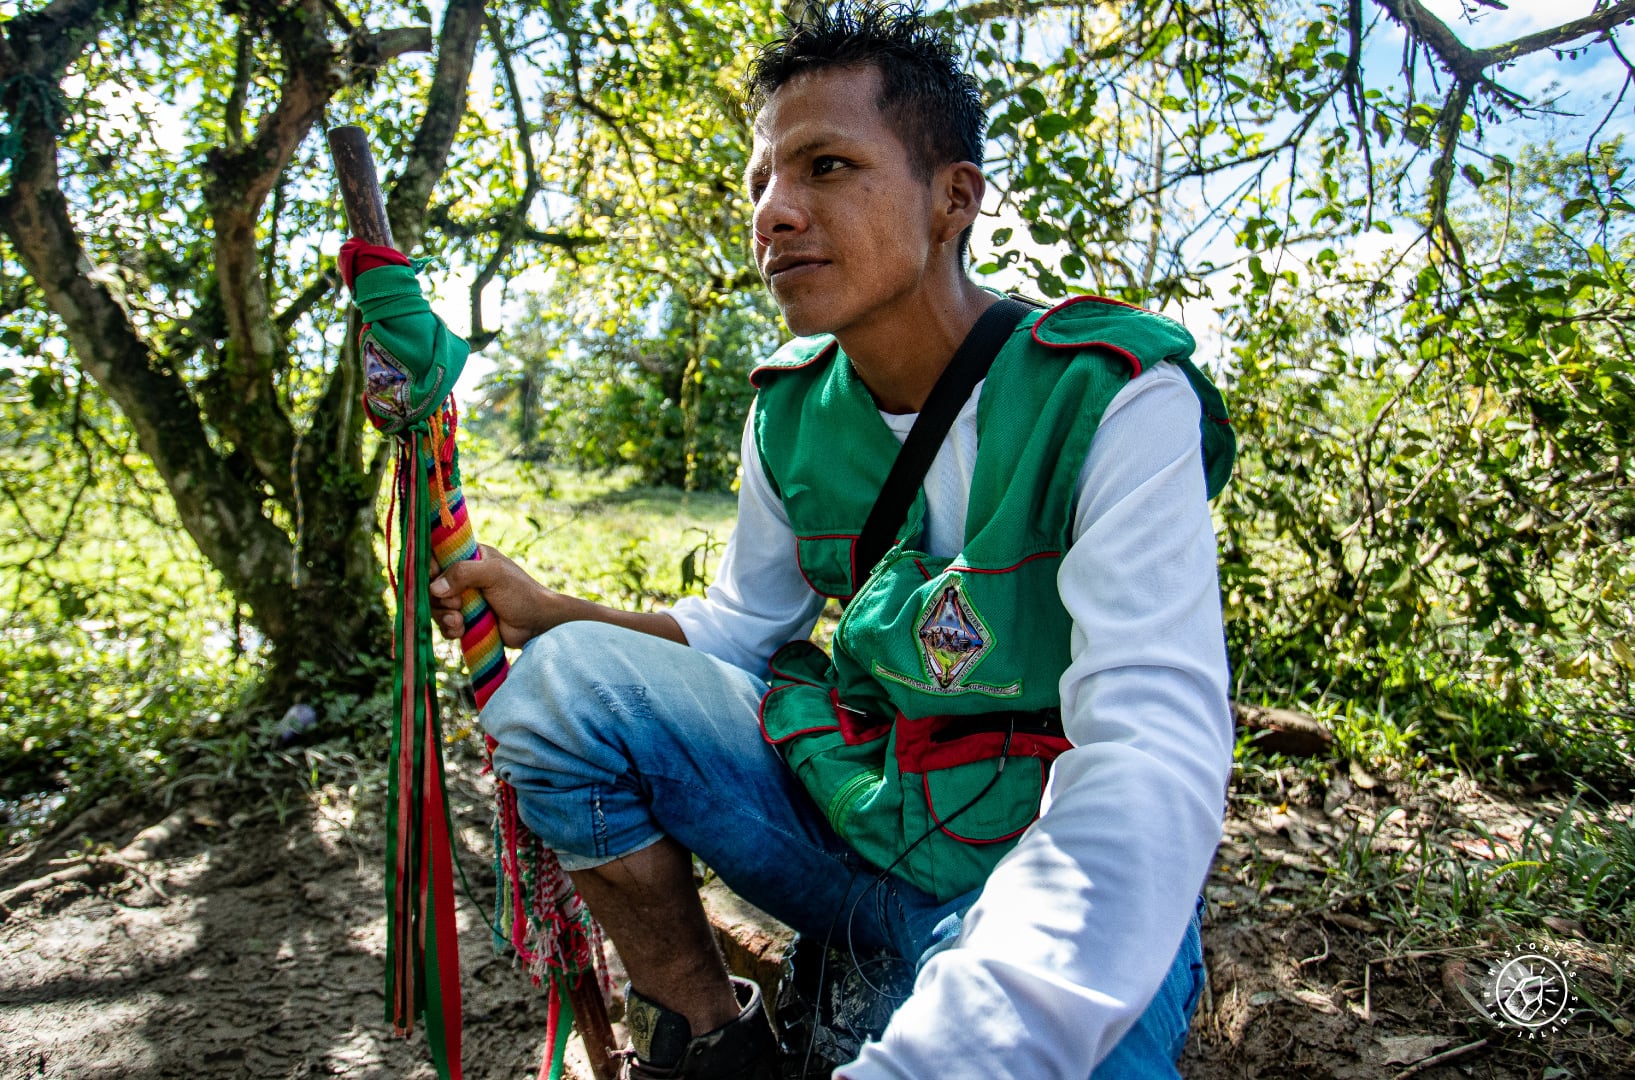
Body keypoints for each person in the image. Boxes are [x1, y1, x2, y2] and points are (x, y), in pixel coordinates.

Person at [431, 4, 1235, 1077]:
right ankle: (715, 1040)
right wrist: (547, 614)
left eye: (827, 166)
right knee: (567, 689)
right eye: (763, 180)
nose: (774, 214)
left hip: (1037, 858)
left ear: (954, 198)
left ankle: (917, 986)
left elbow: (1149, 749)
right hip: (856, 816)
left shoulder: (1112, 397)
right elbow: (740, 630)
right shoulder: (790, 410)